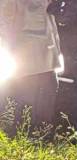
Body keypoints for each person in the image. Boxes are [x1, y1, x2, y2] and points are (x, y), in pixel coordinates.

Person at [0, 0, 63, 130]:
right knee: (25, 104)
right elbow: (4, 20)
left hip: (49, 55)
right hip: (25, 57)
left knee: (47, 96)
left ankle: (41, 137)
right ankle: (23, 137)